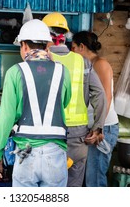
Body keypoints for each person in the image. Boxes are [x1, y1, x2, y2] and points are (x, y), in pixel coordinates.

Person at [0, 19, 72, 187]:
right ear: (47, 46)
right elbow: (64, 102)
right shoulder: (62, 71)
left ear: (25, 46)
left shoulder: (15, 72)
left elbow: (6, 117)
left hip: (26, 154)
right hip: (55, 155)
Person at [43, 13, 107, 187]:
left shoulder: (42, 61)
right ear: (65, 36)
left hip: (50, 135)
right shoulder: (82, 62)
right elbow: (100, 94)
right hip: (78, 137)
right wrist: (97, 127)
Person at [71, 31, 119, 187]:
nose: (71, 52)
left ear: (82, 47)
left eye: (73, 48)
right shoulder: (84, 66)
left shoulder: (100, 64)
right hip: (92, 127)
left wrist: (98, 129)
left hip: (104, 127)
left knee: (95, 179)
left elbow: (106, 98)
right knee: (88, 178)